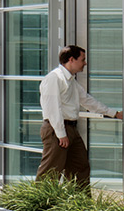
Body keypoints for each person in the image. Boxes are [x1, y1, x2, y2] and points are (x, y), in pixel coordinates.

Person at [39, 44, 119, 185]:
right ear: (71, 59)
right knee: (51, 171)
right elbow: (52, 108)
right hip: (56, 129)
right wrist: (61, 133)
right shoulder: (54, 78)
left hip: (71, 129)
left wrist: (113, 113)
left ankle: (80, 204)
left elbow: (87, 100)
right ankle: (40, 204)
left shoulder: (71, 81)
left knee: (80, 167)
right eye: (82, 59)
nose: (85, 63)